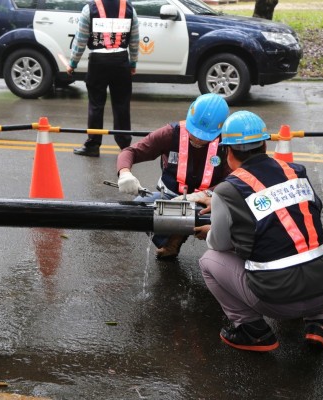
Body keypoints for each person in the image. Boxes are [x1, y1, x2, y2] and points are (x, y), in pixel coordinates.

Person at [194, 111, 323, 352]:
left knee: (209, 260)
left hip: (276, 301)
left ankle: (252, 331)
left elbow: (219, 244)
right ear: (264, 144)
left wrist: (215, 223)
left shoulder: (227, 190)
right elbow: (304, 214)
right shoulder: (296, 171)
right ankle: (320, 321)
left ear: (228, 151)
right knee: (311, 245)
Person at [117, 93, 230, 259]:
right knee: (138, 210)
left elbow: (235, 178)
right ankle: (171, 239)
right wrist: (125, 172)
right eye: (195, 132)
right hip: (171, 197)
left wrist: (209, 194)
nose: (198, 139)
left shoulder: (227, 143)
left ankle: (225, 259)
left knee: (238, 219)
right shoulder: (171, 133)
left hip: (209, 202)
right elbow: (131, 152)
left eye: (205, 136)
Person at [68, 0, 139, 157]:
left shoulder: (90, 9)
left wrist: (73, 63)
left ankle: (93, 145)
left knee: (96, 104)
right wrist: (133, 62)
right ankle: (125, 146)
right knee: (121, 104)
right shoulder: (128, 8)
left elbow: (81, 39)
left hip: (98, 62)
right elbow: (134, 39)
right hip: (121, 61)